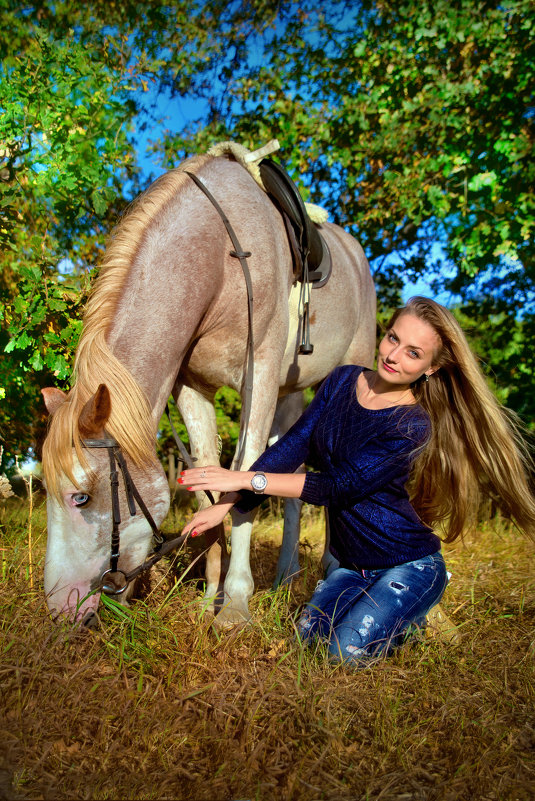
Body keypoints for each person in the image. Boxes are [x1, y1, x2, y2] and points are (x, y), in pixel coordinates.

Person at [179, 297, 535, 665]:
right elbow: (293, 447)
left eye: (413, 353)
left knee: (342, 654)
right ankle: (391, 613)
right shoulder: (342, 380)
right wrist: (224, 505)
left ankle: (414, 615)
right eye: (392, 338)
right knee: (307, 644)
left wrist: (241, 477)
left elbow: (337, 486)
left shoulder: (411, 425)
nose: (393, 355)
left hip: (408, 565)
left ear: (432, 367)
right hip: (352, 567)